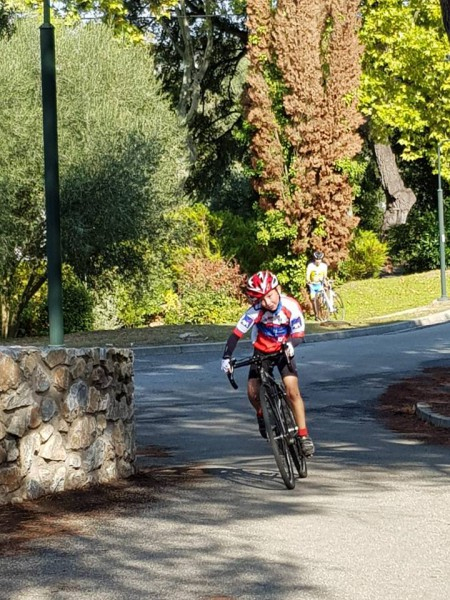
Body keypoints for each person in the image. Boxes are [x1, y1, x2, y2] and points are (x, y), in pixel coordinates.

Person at [220, 270, 315, 457]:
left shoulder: (291, 306)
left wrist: (290, 344)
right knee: (252, 392)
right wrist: (226, 357)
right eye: (261, 299)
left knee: (292, 390)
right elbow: (236, 334)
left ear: (278, 289)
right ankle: (262, 414)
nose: (267, 302)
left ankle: (303, 436)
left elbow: (298, 334)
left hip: (284, 349)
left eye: (270, 296)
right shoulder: (256, 311)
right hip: (262, 350)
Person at [306, 251, 328, 319]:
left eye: (319, 259)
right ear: (314, 259)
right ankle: (316, 315)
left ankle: (322, 314)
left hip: (320, 284)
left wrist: (326, 283)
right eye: (317, 259)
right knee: (313, 300)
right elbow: (307, 275)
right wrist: (308, 281)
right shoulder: (310, 266)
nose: (318, 261)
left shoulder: (324, 266)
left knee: (320, 300)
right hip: (312, 285)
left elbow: (325, 276)